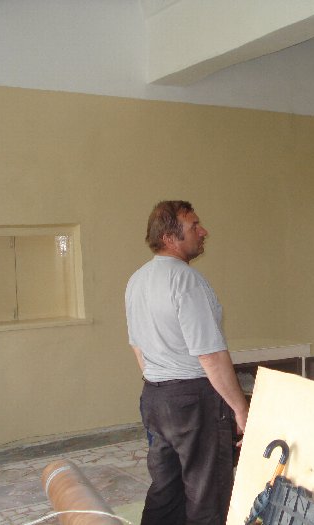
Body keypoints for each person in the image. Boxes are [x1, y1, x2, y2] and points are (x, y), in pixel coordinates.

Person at [125, 200, 248, 524]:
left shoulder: (137, 280)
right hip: (194, 403)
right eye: (194, 226)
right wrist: (240, 409)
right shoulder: (187, 280)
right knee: (208, 494)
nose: (203, 231)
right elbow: (209, 354)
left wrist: (164, 389)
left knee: (166, 491)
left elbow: (137, 347)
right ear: (169, 237)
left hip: (155, 396)